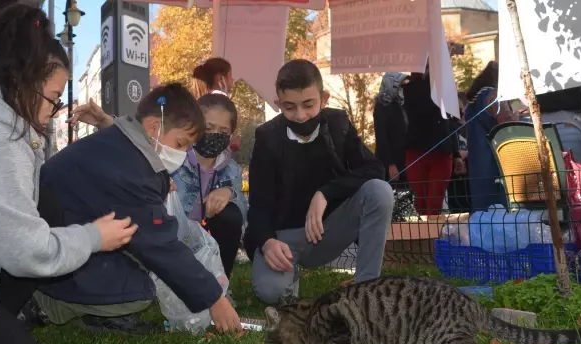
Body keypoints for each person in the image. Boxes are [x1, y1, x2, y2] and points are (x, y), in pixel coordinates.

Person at [0, 5, 138, 344]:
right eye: (54, 98)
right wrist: (95, 237)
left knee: (50, 206)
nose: (55, 110)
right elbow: (26, 251)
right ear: (21, 79)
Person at [21, 83, 241, 335]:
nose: (181, 155)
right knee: (139, 290)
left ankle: (85, 306)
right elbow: (161, 245)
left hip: (59, 238)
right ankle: (46, 305)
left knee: (140, 264)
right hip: (52, 257)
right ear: (153, 128)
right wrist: (215, 300)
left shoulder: (122, 146)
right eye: (180, 144)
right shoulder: (131, 171)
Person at [244, 59, 393, 305]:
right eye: (289, 107)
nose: (300, 116)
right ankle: (288, 276)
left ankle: (366, 287)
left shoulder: (339, 123)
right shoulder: (267, 137)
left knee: (380, 191)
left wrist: (325, 193)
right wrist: (268, 242)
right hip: (284, 238)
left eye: (308, 105)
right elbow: (259, 205)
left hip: (328, 231)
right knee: (272, 294)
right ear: (278, 103)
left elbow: (374, 168)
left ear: (323, 99)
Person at [171, 93, 247, 278]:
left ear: (232, 134)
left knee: (230, 214)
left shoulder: (232, 170)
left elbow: (242, 216)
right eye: (208, 128)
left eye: (222, 132)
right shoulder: (173, 159)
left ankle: (220, 282)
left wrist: (229, 192)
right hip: (173, 238)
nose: (214, 136)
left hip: (205, 241)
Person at [402, 66, 462, 215]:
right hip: (417, 150)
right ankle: (423, 236)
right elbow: (417, 110)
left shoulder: (442, 87)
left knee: (434, 203)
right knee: (420, 202)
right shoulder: (410, 88)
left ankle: (432, 235)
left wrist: (456, 154)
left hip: (441, 151)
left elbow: (449, 121)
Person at [465, 61, 521, 211]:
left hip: (477, 155)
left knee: (482, 205)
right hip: (494, 154)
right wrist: (518, 115)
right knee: (499, 205)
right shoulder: (495, 95)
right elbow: (506, 123)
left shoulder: (473, 99)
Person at [191, 57, 241, 152]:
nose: (233, 80)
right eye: (230, 76)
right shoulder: (220, 101)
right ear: (220, 78)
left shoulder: (200, 99)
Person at [373, 72, 408, 185]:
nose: (402, 89)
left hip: (405, 160)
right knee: (395, 197)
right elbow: (382, 138)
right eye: (400, 86)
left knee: (406, 198)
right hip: (391, 164)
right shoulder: (382, 107)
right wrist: (391, 164)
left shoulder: (401, 104)